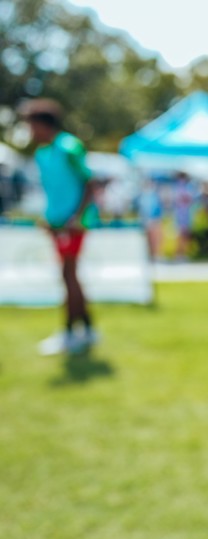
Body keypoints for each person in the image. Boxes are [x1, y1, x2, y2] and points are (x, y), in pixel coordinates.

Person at [21, 99, 99, 355]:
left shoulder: (69, 147)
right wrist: (49, 219)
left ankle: (70, 332)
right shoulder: (42, 154)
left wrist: (75, 217)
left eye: (31, 125)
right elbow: (55, 193)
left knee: (68, 275)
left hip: (74, 225)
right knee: (68, 276)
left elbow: (88, 183)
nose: (30, 131)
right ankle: (87, 329)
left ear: (42, 124)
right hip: (57, 225)